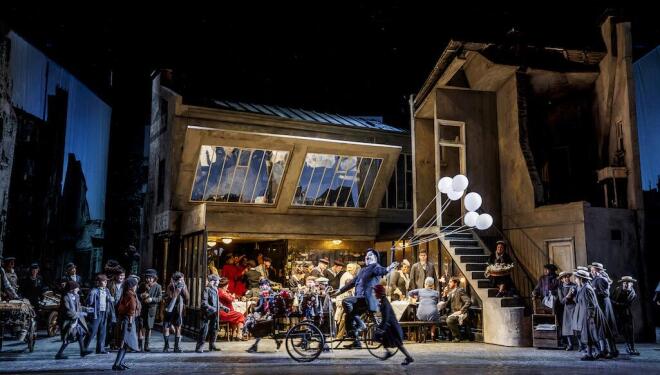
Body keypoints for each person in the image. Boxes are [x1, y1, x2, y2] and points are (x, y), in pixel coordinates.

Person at [332, 248, 397, 349]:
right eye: (366, 255)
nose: (367, 256)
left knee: (346, 301)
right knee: (348, 317)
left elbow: (381, 271)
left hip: (367, 299)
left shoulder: (375, 266)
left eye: (370, 255)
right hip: (360, 299)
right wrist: (339, 291)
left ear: (375, 258)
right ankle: (356, 341)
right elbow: (352, 283)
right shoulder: (362, 270)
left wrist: (389, 268)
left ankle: (361, 325)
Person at [373, 284, 414, 365]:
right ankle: (406, 356)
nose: (374, 294)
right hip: (389, 326)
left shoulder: (385, 303)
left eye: (375, 292)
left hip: (391, 326)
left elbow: (387, 316)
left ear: (379, 293)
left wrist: (382, 328)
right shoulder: (383, 301)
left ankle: (409, 357)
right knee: (389, 341)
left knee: (398, 343)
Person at [572, 269, 606, 361]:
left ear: (581, 279)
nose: (575, 280)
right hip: (586, 314)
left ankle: (598, 352)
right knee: (588, 335)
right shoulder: (583, 287)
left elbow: (591, 304)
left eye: (576, 278)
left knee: (592, 335)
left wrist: (591, 317)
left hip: (590, 315)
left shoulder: (587, 288)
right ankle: (590, 353)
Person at [55, 281, 93, 359]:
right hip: (68, 321)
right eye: (76, 288)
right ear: (71, 289)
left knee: (79, 334)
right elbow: (67, 310)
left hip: (75, 320)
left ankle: (82, 350)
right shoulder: (65, 297)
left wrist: (86, 309)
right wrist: (79, 314)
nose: (78, 289)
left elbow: (78, 307)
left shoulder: (76, 296)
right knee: (68, 337)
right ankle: (59, 354)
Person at [590, 262, 618, 358]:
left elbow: (606, 294)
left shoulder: (601, 280)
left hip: (604, 307)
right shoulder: (595, 280)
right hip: (600, 306)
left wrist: (594, 292)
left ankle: (612, 350)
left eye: (594, 270)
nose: (592, 272)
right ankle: (603, 350)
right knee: (601, 329)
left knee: (606, 328)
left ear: (599, 271)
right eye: (591, 270)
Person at [113, 277, 140, 371]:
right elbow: (131, 310)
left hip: (124, 320)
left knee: (125, 344)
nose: (136, 286)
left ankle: (120, 362)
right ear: (132, 286)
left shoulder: (126, 293)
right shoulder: (131, 295)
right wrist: (130, 323)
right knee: (123, 343)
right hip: (128, 321)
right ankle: (116, 364)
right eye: (135, 285)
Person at [196, 274, 228, 353]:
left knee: (214, 329)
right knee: (204, 330)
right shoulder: (207, 289)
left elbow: (216, 302)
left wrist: (223, 307)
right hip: (207, 313)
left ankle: (212, 345)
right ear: (213, 281)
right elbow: (204, 303)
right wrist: (213, 309)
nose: (218, 282)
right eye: (217, 280)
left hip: (214, 313)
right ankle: (200, 347)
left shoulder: (215, 289)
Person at [85, 274, 116, 354]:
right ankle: (84, 347)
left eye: (106, 281)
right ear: (98, 282)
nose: (105, 282)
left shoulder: (107, 290)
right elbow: (89, 302)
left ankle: (100, 349)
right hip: (96, 313)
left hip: (104, 312)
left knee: (102, 331)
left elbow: (110, 299)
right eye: (103, 281)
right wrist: (91, 296)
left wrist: (110, 299)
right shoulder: (94, 291)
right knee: (92, 331)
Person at [611, 276, 640, 356]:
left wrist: (617, 304)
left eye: (627, 283)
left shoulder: (632, 293)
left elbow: (626, 304)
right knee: (616, 330)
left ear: (631, 284)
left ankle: (631, 347)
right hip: (616, 313)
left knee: (629, 331)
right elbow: (611, 299)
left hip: (626, 314)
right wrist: (614, 304)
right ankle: (612, 349)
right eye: (624, 283)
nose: (625, 285)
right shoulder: (617, 290)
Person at [163, 272, 189, 353]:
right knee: (166, 327)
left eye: (182, 280)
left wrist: (184, 289)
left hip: (178, 309)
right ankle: (166, 346)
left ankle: (176, 347)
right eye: (180, 280)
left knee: (178, 327)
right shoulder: (170, 286)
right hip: (169, 309)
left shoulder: (183, 286)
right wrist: (176, 290)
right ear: (175, 280)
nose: (182, 282)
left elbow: (187, 298)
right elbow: (170, 297)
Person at [441, 276, 471, 342]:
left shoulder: (460, 290)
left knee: (449, 320)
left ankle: (458, 337)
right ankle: (448, 336)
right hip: (452, 313)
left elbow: (468, 301)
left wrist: (461, 311)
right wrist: (445, 295)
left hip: (460, 313)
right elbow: (446, 304)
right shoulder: (451, 292)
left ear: (456, 283)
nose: (449, 283)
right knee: (438, 320)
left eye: (450, 282)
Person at [138, 269, 162, 352]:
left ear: (154, 278)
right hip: (142, 309)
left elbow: (160, 298)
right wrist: (141, 295)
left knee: (149, 327)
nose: (149, 279)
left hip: (151, 309)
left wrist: (152, 299)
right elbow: (137, 294)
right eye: (147, 277)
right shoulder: (142, 285)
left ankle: (146, 345)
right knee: (141, 326)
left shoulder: (158, 286)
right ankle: (140, 345)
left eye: (151, 278)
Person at [334, 263, 358, 340]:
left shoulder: (345, 274)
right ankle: (340, 336)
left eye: (351, 267)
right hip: (346, 299)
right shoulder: (349, 276)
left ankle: (343, 335)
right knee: (345, 317)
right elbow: (350, 288)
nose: (350, 269)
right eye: (349, 267)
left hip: (343, 298)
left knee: (344, 317)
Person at [218, 276, 246, 340]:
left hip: (224, 312)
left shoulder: (221, 291)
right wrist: (232, 296)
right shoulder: (222, 292)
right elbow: (230, 299)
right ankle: (239, 334)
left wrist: (230, 295)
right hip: (224, 313)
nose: (228, 286)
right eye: (227, 285)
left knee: (236, 317)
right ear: (225, 285)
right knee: (240, 315)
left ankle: (234, 334)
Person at [557, 271, 577, 350]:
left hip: (576, 307)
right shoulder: (560, 288)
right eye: (565, 277)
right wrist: (568, 296)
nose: (567, 278)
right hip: (567, 308)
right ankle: (570, 344)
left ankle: (582, 345)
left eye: (568, 276)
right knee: (567, 326)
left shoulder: (574, 285)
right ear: (562, 279)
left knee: (577, 326)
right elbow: (562, 301)